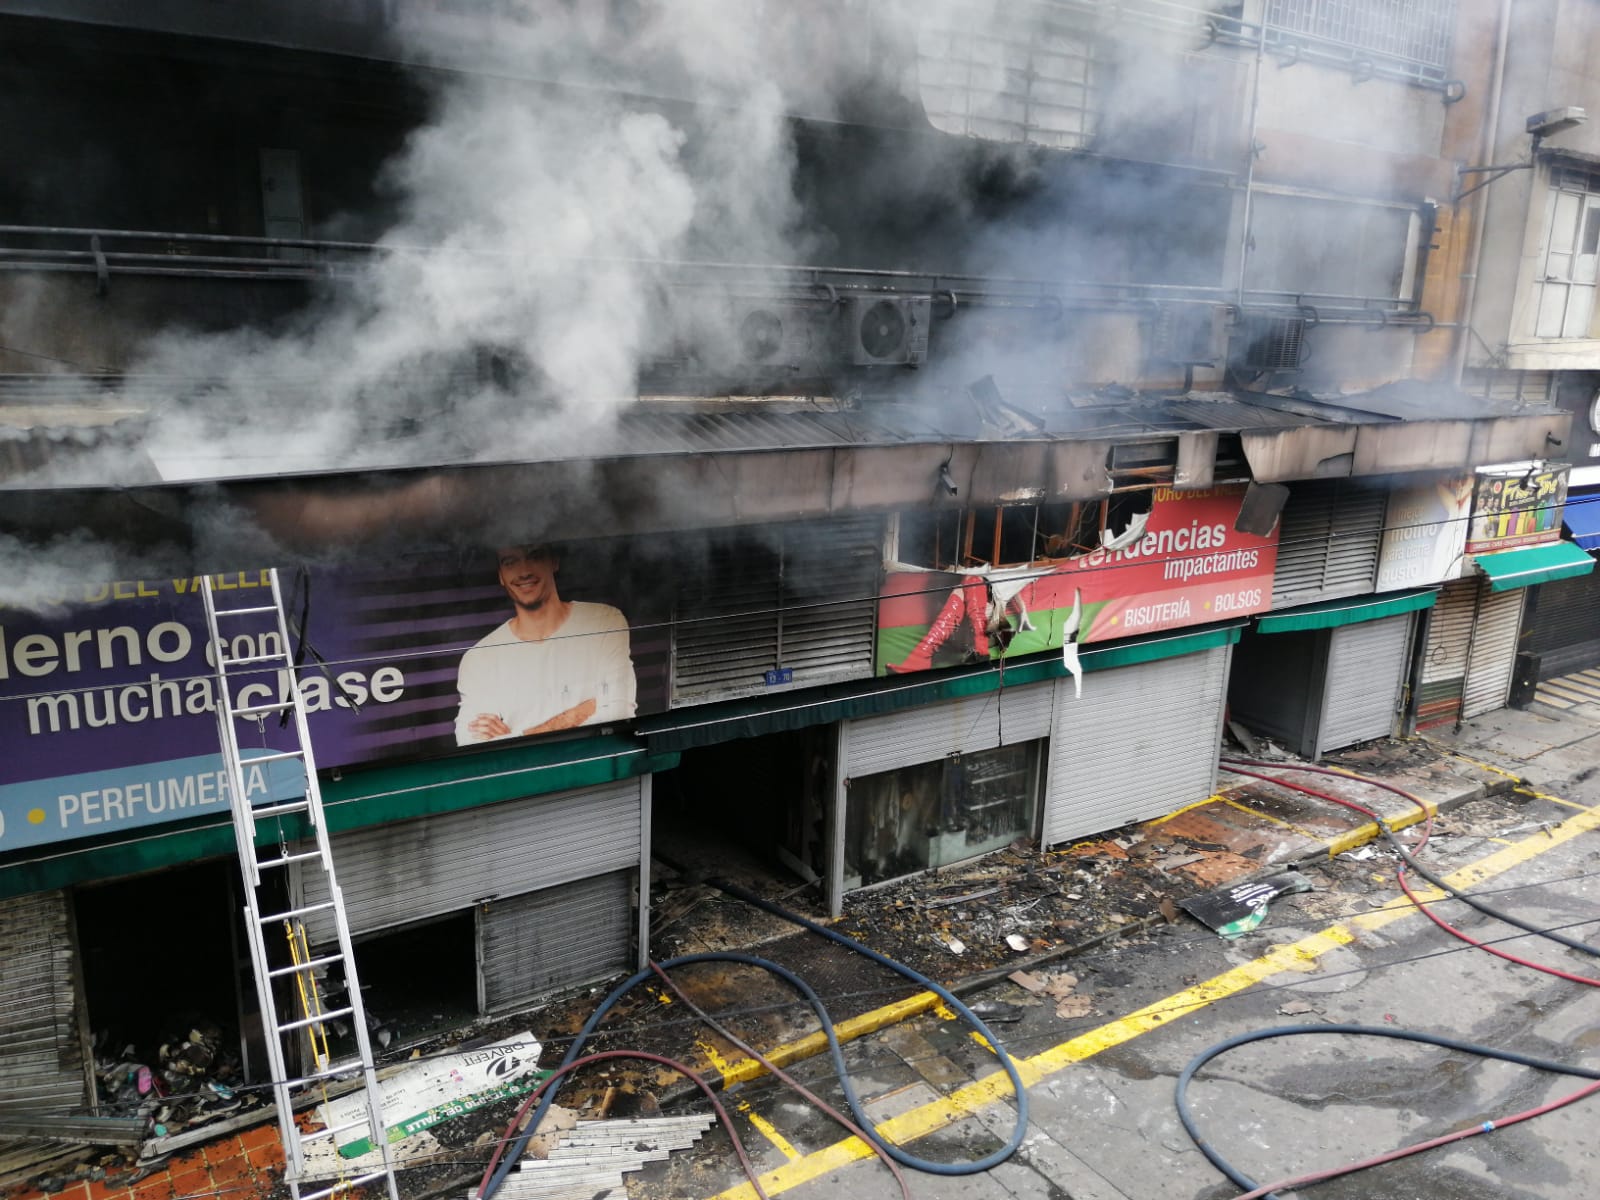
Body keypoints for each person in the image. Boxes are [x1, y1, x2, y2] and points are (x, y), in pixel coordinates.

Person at [454, 543, 637, 745]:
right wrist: (580, 712)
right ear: (501, 576)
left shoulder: (604, 620)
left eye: (534, 556)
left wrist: (510, 739)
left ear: (554, 561)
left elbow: (619, 715)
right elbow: (469, 742)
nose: (523, 572)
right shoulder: (480, 657)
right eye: (510, 562)